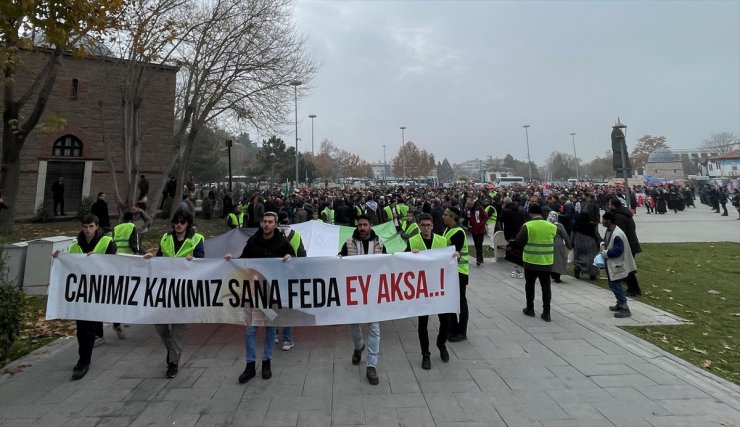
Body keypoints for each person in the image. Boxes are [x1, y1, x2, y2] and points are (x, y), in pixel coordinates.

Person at [226, 211, 294, 384]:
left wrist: (289, 257)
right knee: (250, 329)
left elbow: (295, 261)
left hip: (272, 294)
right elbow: (242, 260)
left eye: (270, 222)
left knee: (270, 328)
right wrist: (231, 260)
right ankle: (250, 365)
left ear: (275, 224)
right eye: (264, 221)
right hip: (252, 292)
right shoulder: (253, 241)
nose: (267, 224)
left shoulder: (282, 242)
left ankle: (266, 362)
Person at [53, 214, 117, 380]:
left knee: (88, 328)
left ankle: (83, 362)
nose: (88, 230)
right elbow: (70, 265)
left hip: (98, 293)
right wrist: (60, 258)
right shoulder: (75, 245)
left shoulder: (107, 242)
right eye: (85, 226)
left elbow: (114, 265)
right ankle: (85, 354)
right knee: (81, 329)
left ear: (96, 226)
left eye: (91, 226)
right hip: (81, 293)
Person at [144, 209, 205, 378]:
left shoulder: (196, 239)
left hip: (185, 290)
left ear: (188, 224)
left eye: (182, 222)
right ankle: (172, 352)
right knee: (160, 326)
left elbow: (203, 263)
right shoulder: (166, 238)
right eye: (176, 222)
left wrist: (195, 262)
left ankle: (173, 363)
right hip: (165, 289)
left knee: (178, 328)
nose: (179, 225)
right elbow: (159, 259)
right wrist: (151, 259)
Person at [339, 214, 386, 385]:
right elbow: (339, 261)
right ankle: (359, 347)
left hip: (373, 292)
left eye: (365, 225)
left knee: (374, 327)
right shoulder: (349, 243)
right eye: (360, 225)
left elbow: (389, 264)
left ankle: (371, 365)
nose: (362, 228)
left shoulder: (380, 243)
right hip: (354, 292)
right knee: (353, 325)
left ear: (371, 226)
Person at [407, 213, 452, 369]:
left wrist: (456, 256)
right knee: (422, 324)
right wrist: (409, 256)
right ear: (419, 226)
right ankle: (425, 354)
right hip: (422, 289)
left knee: (445, 320)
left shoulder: (442, 240)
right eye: (423, 225)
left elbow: (449, 259)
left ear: (432, 225)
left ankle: (441, 343)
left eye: (428, 225)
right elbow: (404, 264)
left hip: (439, 287)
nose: (425, 228)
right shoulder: (413, 241)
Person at [516, 204, 556, 322]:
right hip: (546, 262)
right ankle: (546, 313)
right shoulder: (552, 226)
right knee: (546, 287)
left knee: (530, 285)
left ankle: (530, 309)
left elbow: (519, 241)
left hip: (531, 261)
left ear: (531, 213)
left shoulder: (527, 226)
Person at [275, 212, 307, 351]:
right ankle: (287, 340)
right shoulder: (296, 235)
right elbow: (302, 256)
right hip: (291, 275)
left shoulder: (270, 234)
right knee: (289, 307)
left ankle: (274, 334)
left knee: (274, 305)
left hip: (273, 275)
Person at [600, 211, 637, 318]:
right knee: (613, 284)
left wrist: (604, 253)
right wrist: (602, 244)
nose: (602, 221)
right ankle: (620, 303)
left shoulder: (617, 234)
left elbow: (617, 251)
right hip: (612, 264)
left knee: (616, 285)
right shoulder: (610, 230)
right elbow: (606, 241)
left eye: (604, 219)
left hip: (618, 264)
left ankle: (624, 307)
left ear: (609, 221)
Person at [443, 207, 470, 341]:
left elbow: (454, 255)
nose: (443, 216)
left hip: (459, 272)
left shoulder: (458, 232)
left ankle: (462, 332)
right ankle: (452, 328)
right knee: (451, 301)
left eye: (445, 215)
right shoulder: (448, 230)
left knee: (460, 302)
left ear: (452, 217)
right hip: (450, 273)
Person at [608, 198, 642, 296]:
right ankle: (633, 288)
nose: (609, 207)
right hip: (631, 243)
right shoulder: (625, 213)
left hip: (628, 245)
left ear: (614, 206)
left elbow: (619, 234)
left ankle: (634, 290)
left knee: (628, 268)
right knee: (628, 268)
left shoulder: (619, 217)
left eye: (610, 205)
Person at [571, 212, 602, 280]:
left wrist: (572, 244)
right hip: (590, 245)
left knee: (578, 258)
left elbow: (572, 236)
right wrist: (600, 243)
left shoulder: (575, 225)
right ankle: (592, 274)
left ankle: (578, 267)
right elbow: (597, 236)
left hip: (578, 245)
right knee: (591, 259)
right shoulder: (592, 225)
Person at [546, 211, 571, 283]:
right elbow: (565, 236)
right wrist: (569, 246)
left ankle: (552, 274)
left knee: (550, 260)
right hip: (558, 244)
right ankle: (557, 276)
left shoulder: (546, 224)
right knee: (558, 260)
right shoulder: (559, 225)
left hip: (548, 243)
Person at [467, 199, 488, 267]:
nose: (468, 206)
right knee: (476, 245)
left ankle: (478, 260)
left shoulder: (479, 208)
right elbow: (468, 218)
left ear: (472, 204)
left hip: (480, 230)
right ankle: (480, 258)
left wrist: (481, 224)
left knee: (479, 245)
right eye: (467, 204)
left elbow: (485, 217)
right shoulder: (469, 210)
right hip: (473, 230)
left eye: (469, 204)